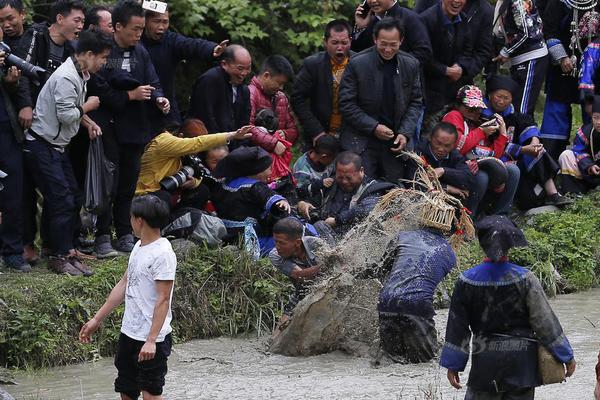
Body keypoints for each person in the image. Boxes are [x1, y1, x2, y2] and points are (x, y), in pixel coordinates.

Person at [440, 215, 576, 399]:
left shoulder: (466, 281)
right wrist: (566, 355)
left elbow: (458, 327)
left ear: (482, 244)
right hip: (522, 365)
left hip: (485, 363)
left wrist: (454, 364)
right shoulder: (526, 279)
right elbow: (544, 322)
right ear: (511, 245)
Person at [23, 29, 111, 276]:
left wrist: (87, 120)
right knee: (62, 199)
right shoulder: (66, 77)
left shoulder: (80, 73)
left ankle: (63, 249)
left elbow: (71, 111)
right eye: (103, 58)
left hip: (56, 146)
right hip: (41, 145)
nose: (104, 63)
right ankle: (58, 256)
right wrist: (88, 107)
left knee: (72, 195)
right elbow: (66, 114)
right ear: (90, 54)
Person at [79, 195, 176, 400]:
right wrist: (97, 319)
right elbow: (125, 283)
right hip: (129, 333)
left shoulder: (163, 254)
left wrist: (151, 341)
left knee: (151, 394)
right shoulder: (138, 247)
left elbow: (163, 299)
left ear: (139, 220)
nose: (129, 221)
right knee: (126, 390)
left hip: (152, 339)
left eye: (131, 217)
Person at [94, 0, 170, 256]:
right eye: (134, 29)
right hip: (109, 126)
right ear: (117, 27)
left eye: (141, 29)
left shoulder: (141, 52)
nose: (139, 34)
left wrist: (159, 97)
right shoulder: (106, 53)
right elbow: (101, 87)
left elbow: (153, 81)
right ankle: (102, 235)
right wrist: (130, 95)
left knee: (128, 184)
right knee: (108, 184)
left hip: (136, 127)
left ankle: (125, 232)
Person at [16, 0, 85, 264]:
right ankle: (26, 244)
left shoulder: (71, 49)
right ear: (60, 18)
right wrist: (24, 104)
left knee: (57, 191)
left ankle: (51, 244)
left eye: (82, 22)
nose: (80, 26)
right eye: (76, 20)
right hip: (27, 121)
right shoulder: (36, 35)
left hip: (52, 126)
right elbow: (22, 70)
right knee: (27, 188)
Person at [339, 18, 422, 184]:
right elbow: (346, 104)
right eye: (383, 44)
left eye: (393, 44)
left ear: (401, 41)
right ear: (375, 39)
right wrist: (373, 127)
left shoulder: (411, 64)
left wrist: (405, 133)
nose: (388, 49)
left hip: (394, 140)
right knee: (363, 188)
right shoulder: (357, 63)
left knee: (394, 190)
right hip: (362, 139)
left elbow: (415, 102)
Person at [377, 216, 458, 363]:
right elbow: (428, 283)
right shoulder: (449, 254)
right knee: (425, 363)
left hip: (386, 302)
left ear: (421, 221)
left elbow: (381, 269)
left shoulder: (402, 236)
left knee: (389, 362)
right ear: (448, 231)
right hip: (417, 305)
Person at [483, 74, 571, 208]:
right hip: (494, 159)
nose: (501, 101)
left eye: (506, 98)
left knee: (537, 151)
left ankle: (553, 194)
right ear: (489, 95)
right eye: (498, 96)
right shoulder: (483, 116)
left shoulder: (512, 114)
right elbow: (494, 145)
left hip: (515, 157)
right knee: (528, 200)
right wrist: (524, 149)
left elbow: (527, 123)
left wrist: (534, 142)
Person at [142, 7, 228, 129]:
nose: (161, 27)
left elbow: (191, 45)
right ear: (144, 21)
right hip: (139, 109)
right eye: (156, 21)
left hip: (166, 109)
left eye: (165, 22)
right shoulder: (134, 41)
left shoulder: (170, 40)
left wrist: (212, 49)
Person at [135, 125, 252, 212]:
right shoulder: (164, 141)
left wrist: (193, 183)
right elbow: (198, 143)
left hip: (167, 191)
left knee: (202, 190)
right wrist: (231, 135)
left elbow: (196, 173)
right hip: (145, 195)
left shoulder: (184, 155)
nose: (195, 152)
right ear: (181, 136)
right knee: (162, 199)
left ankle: (178, 225)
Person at [442, 85, 520, 217]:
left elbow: (495, 156)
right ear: (459, 105)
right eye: (470, 108)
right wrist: (481, 132)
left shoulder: (479, 122)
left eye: (478, 108)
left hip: (478, 165)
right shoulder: (454, 116)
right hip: (455, 166)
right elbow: (458, 148)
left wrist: (502, 134)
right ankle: (468, 219)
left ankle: (500, 216)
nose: (475, 112)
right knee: (481, 177)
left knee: (513, 170)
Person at [539, 1, 598, 161]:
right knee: (556, 111)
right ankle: (551, 164)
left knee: (594, 110)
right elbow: (549, 31)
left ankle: (591, 163)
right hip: (563, 67)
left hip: (594, 68)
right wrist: (562, 57)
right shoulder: (558, 2)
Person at [211, 146, 292, 257]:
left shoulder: (225, 183)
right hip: (250, 237)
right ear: (257, 171)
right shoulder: (255, 186)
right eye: (268, 169)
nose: (271, 172)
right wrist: (280, 201)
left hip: (227, 234)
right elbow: (267, 196)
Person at [297, 151, 395, 239]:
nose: (344, 181)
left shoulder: (373, 189)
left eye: (349, 178)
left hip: (354, 241)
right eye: (340, 177)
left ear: (361, 171)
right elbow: (310, 198)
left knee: (319, 226)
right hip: (322, 235)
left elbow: (366, 210)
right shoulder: (330, 183)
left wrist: (336, 221)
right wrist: (303, 204)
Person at [291, 19, 353, 146]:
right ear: (325, 42)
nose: (340, 48)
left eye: (344, 43)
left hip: (351, 133)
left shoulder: (360, 63)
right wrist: (316, 131)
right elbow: (298, 99)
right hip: (319, 132)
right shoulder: (312, 65)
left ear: (350, 41)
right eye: (335, 43)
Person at [419, 0, 475, 138]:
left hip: (451, 93)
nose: (457, 1)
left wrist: (460, 66)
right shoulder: (427, 19)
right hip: (428, 93)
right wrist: (445, 70)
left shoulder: (463, 19)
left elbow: (468, 50)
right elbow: (422, 56)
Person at [0, 32, 29, 271]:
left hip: (7, 130)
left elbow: (18, 91)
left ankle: (12, 251)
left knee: (13, 193)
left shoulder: (7, 52)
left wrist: (12, 82)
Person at [491, 0, 548, 116]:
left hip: (532, 56)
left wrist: (506, 51)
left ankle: (523, 133)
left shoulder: (518, 2)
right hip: (518, 58)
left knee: (523, 107)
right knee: (516, 103)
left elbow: (527, 33)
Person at [269, 217, 323, 336]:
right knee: (276, 336)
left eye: (282, 243)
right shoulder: (274, 255)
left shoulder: (315, 244)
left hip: (327, 289)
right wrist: (325, 265)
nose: (277, 246)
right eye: (276, 242)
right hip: (303, 291)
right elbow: (300, 276)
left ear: (297, 242)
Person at [187, 45, 252, 134]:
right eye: (240, 68)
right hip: (206, 140)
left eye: (248, 68)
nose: (244, 73)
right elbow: (205, 116)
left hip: (233, 141)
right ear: (224, 64)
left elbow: (244, 122)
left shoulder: (244, 89)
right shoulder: (210, 80)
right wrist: (220, 142)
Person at [351, 0, 432, 68]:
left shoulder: (411, 18)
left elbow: (423, 53)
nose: (373, 1)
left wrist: (393, 64)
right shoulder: (369, 19)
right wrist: (360, 28)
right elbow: (355, 54)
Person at [249, 54, 298, 157]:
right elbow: (247, 128)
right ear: (266, 75)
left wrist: (285, 134)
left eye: (283, 84)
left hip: (277, 160)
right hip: (254, 158)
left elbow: (293, 130)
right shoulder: (250, 93)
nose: (281, 88)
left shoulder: (281, 97)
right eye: (279, 83)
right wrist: (273, 143)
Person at [418, 122, 474, 201]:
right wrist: (446, 187)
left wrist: (444, 171)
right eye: (438, 143)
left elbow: (468, 178)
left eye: (447, 146)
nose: (441, 149)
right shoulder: (419, 152)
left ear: (454, 145)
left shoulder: (454, 155)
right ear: (430, 138)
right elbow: (415, 181)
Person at [558, 95, 600, 194]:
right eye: (595, 117)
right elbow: (578, 150)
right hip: (590, 172)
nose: (599, 122)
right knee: (566, 155)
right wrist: (589, 166)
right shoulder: (585, 131)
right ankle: (572, 192)